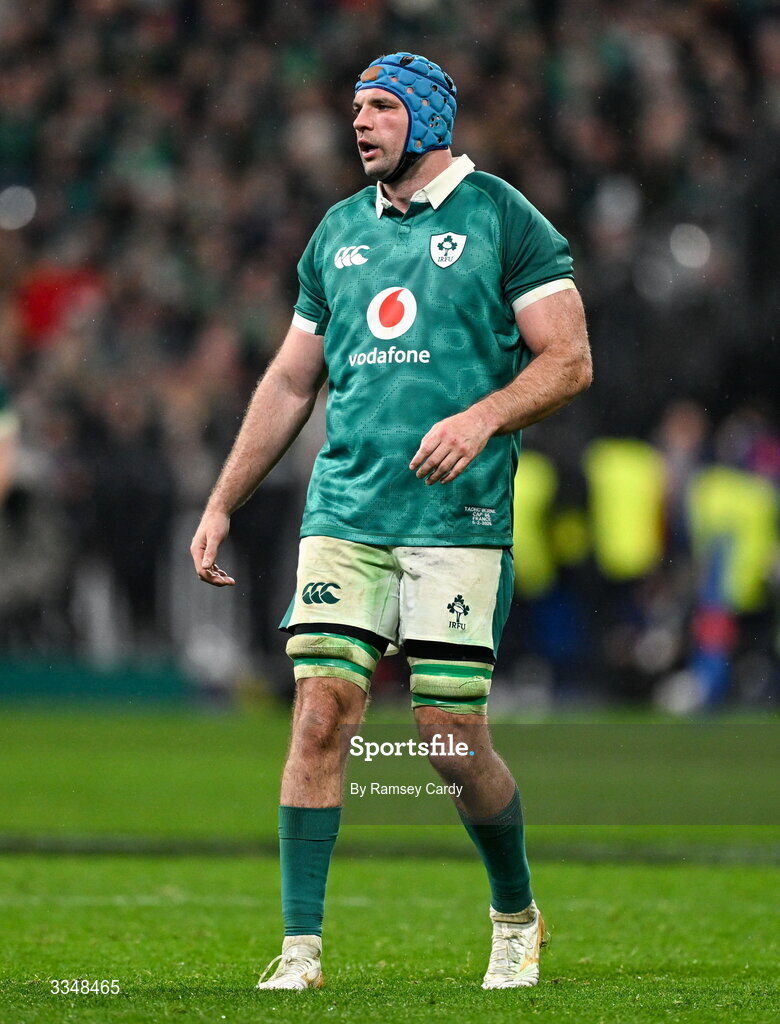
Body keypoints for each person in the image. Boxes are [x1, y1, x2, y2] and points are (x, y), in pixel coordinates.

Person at [190, 52, 591, 991]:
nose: (360, 123)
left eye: (379, 107)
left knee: (448, 736)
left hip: (458, 514)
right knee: (321, 712)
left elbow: (569, 360)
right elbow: (293, 379)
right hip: (347, 509)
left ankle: (515, 913)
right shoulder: (336, 233)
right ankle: (299, 951)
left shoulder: (501, 217)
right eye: (355, 109)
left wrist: (481, 415)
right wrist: (222, 499)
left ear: (426, 117)